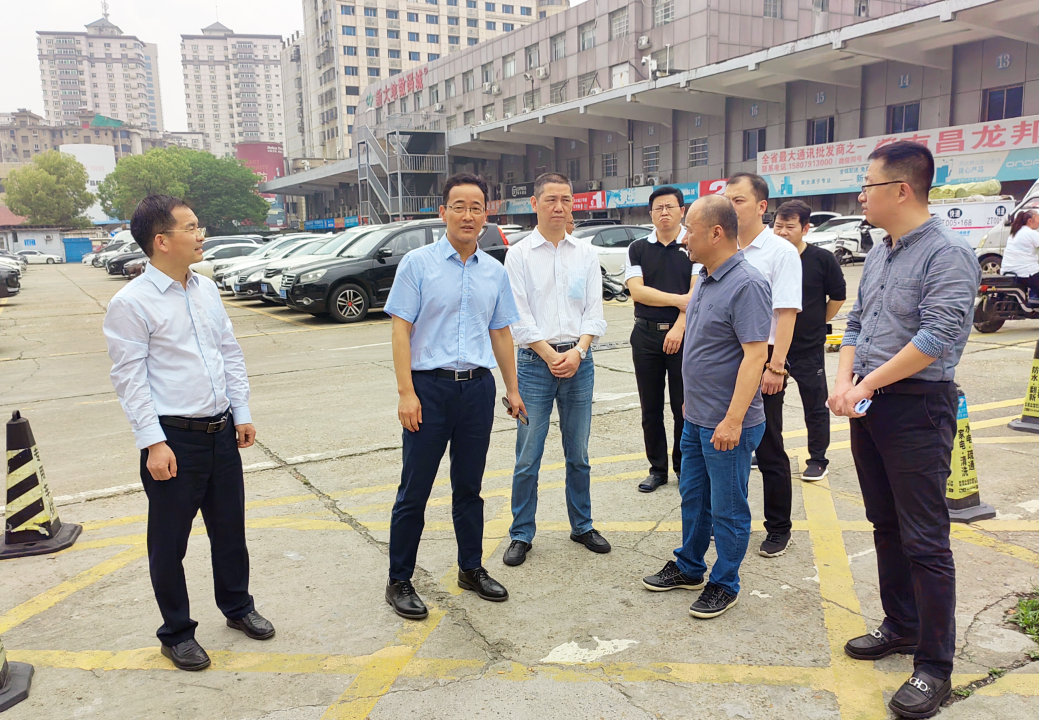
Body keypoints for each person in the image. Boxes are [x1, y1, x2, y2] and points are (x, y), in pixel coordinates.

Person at [829, 141, 980, 719]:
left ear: (901, 190)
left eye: (867, 185)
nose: (860, 195)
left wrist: (864, 385)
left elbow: (937, 337)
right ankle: (901, 624)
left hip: (917, 407)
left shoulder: (948, 254)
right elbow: (857, 323)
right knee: (885, 523)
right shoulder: (880, 252)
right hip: (870, 403)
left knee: (925, 539)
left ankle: (934, 665)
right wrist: (845, 381)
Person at [103, 195, 274, 672]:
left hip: (221, 431)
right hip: (174, 440)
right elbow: (130, 379)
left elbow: (228, 351)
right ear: (162, 241)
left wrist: (241, 412)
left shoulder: (206, 289)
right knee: (169, 543)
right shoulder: (131, 303)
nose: (201, 235)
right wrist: (153, 442)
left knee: (230, 530)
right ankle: (176, 632)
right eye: (192, 227)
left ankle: (237, 607)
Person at [383, 173, 525, 620]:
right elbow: (401, 330)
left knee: (469, 487)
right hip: (429, 390)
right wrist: (406, 392)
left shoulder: (494, 271)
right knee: (415, 489)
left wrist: (512, 388)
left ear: (486, 215)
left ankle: (471, 568)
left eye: (476, 207)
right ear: (443, 212)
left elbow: (500, 332)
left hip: (477, 390)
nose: (467, 215)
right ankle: (399, 579)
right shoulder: (417, 264)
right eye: (459, 206)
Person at [641, 194, 771, 619]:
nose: (685, 240)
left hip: (727, 424)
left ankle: (725, 582)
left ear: (716, 233)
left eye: (691, 232)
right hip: (696, 417)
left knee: (728, 508)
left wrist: (733, 420)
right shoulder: (705, 276)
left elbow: (755, 356)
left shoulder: (747, 284)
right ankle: (689, 566)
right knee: (694, 499)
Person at [502, 172, 609, 567]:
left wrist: (579, 351)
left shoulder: (585, 253)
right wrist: (550, 355)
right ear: (535, 204)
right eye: (551, 199)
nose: (559, 207)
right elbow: (518, 317)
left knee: (578, 453)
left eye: (566, 199)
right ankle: (521, 534)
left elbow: (594, 312)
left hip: (580, 362)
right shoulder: (518, 255)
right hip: (534, 364)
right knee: (528, 455)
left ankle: (582, 525)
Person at [723, 173, 802, 558]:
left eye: (738, 200)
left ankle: (779, 527)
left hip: (764, 355)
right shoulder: (723, 245)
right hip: (725, 355)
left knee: (768, 445)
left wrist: (776, 366)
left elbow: (786, 313)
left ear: (761, 206)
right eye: (727, 200)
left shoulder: (780, 252)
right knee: (723, 443)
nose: (730, 207)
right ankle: (724, 522)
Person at [624, 186, 695, 493]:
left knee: (683, 407)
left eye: (670, 207)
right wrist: (679, 300)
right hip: (645, 336)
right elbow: (637, 292)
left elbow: (696, 293)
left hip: (684, 336)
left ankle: (683, 468)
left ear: (682, 210)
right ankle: (657, 469)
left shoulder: (692, 244)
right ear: (651, 213)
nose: (664, 212)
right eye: (658, 208)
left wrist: (679, 327)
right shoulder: (638, 248)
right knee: (650, 408)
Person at [772, 200, 847, 481]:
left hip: (807, 347)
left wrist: (817, 321)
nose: (782, 232)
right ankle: (768, 450)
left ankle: (817, 459)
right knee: (769, 405)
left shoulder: (821, 259)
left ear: (805, 228)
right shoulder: (770, 256)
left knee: (815, 406)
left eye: (789, 227)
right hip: (771, 346)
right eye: (778, 226)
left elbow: (838, 296)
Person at [1000, 209, 1039, 295]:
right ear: (1030, 221)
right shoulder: (1030, 233)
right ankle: (1034, 298)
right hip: (1024, 273)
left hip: (1008, 272)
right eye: (1038, 219)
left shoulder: (1014, 233)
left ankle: (1033, 297)